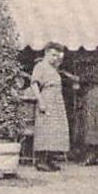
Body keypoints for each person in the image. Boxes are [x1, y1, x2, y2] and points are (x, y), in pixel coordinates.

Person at [30, 43, 69, 172]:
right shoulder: (40, 66)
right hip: (47, 98)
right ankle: (40, 161)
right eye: (52, 55)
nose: (54, 58)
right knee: (45, 129)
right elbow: (34, 84)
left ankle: (50, 159)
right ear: (46, 53)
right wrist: (40, 100)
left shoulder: (53, 68)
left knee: (55, 130)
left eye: (56, 56)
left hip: (56, 100)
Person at [79, 78, 98, 165]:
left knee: (92, 138)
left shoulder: (93, 93)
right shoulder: (97, 93)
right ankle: (96, 157)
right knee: (95, 137)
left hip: (92, 118)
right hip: (94, 117)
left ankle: (92, 157)